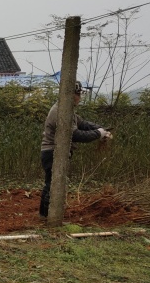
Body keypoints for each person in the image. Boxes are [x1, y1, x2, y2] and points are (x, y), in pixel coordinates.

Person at [39, 81, 112, 218]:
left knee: (52, 183)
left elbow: (82, 123)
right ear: (71, 95)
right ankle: (47, 217)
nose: (79, 97)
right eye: (78, 94)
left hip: (54, 152)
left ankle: (45, 215)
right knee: (53, 184)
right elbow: (75, 134)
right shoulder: (59, 112)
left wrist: (102, 129)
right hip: (52, 152)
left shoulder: (67, 110)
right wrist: (98, 134)